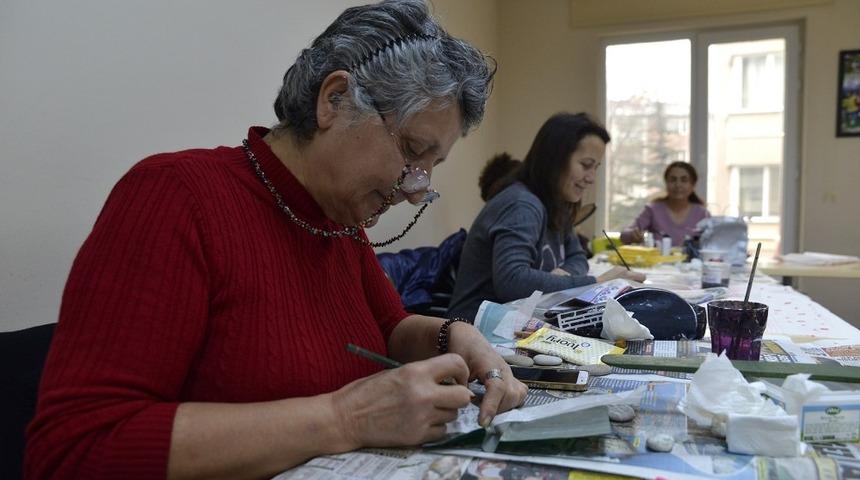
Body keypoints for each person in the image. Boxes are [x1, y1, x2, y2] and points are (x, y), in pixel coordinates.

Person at [24, 2, 527, 479]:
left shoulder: (336, 220)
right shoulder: (175, 196)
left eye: (430, 169)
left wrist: (452, 336)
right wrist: (343, 418)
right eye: (413, 152)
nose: (416, 189)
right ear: (335, 100)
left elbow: (387, 326)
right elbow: (75, 447)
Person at [448, 113, 646, 322]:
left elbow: (577, 256)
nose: (591, 178)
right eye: (586, 165)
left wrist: (563, 273)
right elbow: (511, 281)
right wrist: (597, 281)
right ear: (555, 159)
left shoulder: (557, 203)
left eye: (595, 168)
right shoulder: (522, 205)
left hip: (515, 321)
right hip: (474, 328)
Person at [620, 161, 711, 247]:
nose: (678, 185)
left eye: (684, 180)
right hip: (658, 263)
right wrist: (632, 235)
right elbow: (624, 236)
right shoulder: (653, 210)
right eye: (673, 180)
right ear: (666, 183)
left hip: (693, 263)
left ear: (693, 185)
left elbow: (713, 242)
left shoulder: (702, 214)